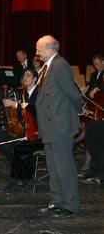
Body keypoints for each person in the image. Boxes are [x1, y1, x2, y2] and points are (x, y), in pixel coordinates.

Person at [35, 35, 82, 218]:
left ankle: (70, 205)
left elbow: (74, 94)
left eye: (39, 49)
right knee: (53, 166)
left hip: (60, 125)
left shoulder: (60, 65)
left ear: (49, 49)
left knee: (64, 167)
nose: (37, 53)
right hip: (50, 125)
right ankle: (57, 201)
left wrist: (77, 112)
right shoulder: (49, 67)